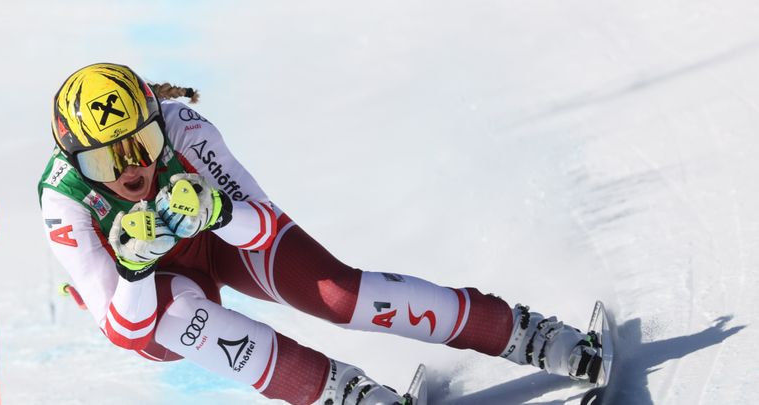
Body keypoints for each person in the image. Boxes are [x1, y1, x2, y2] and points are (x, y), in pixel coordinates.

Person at [38, 63, 602, 405]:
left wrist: (214, 210)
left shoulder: (185, 127)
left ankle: (520, 332)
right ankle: (341, 395)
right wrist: (136, 267)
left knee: (340, 295)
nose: (131, 170)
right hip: (157, 295)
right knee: (174, 320)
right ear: (74, 163)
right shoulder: (63, 198)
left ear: (159, 124)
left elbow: (263, 220)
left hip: (225, 237)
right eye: (104, 164)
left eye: (142, 146)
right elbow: (125, 331)